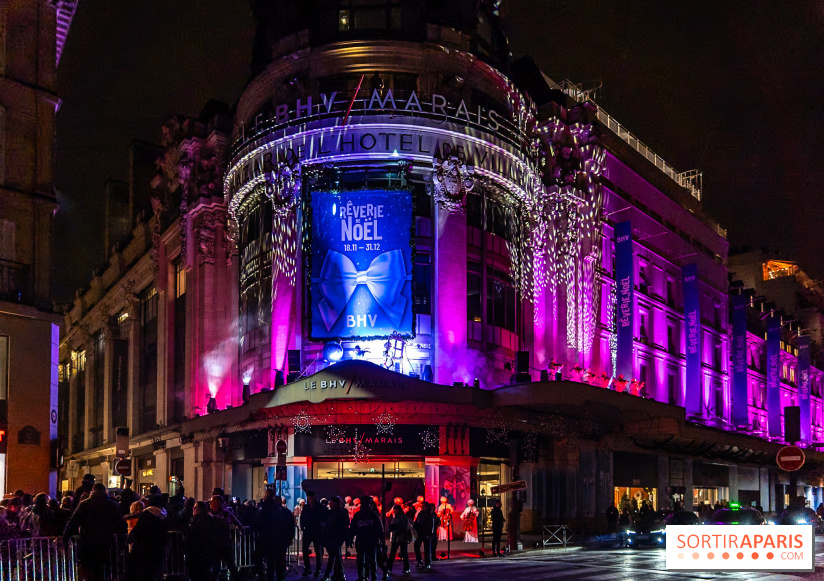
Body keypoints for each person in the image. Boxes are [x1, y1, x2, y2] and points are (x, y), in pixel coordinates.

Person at [64, 483, 127, 581]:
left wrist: (66, 537)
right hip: (107, 542)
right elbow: (121, 525)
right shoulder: (113, 505)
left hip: (87, 542)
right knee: (105, 570)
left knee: (89, 570)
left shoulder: (85, 504)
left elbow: (73, 522)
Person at [255, 490, 296, 581]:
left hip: (273, 540)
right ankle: (279, 577)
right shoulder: (283, 512)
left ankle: (273, 577)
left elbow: (261, 523)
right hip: (278, 540)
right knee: (278, 561)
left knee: (272, 562)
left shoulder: (269, 510)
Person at [127, 494, 169, 581]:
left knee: (145, 572)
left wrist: (130, 538)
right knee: (156, 570)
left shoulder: (147, 514)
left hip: (145, 547)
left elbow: (138, 529)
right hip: (159, 547)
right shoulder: (164, 514)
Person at [348, 495, 383, 581]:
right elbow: (380, 528)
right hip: (372, 540)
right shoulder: (373, 515)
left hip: (361, 540)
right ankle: (373, 577)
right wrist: (381, 540)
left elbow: (353, 528)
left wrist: (350, 539)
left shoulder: (358, 515)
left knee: (360, 560)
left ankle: (361, 577)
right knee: (372, 560)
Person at [185, 501, 220, 581]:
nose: (193, 510)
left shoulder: (199, 521)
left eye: (195, 508)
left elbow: (194, 536)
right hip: (206, 553)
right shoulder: (209, 520)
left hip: (198, 553)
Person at [209, 495, 240, 579]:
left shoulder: (224, 514)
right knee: (218, 566)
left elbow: (237, 523)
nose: (210, 504)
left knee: (227, 565)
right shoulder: (213, 514)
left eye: (212, 502)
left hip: (221, 543)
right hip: (219, 543)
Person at [321, 496, 348, 581]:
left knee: (333, 556)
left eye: (331, 503)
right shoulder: (331, 512)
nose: (330, 505)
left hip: (337, 537)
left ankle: (327, 575)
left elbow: (344, 525)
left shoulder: (341, 513)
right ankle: (339, 574)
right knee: (337, 556)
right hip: (331, 536)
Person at [301, 490, 327, 577]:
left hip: (316, 531)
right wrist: (303, 527)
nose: (310, 500)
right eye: (309, 498)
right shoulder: (307, 507)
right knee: (306, 550)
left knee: (318, 550)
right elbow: (302, 517)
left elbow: (324, 518)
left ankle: (317, 569)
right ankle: (308, 568)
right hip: (309, 530)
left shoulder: (319, 507)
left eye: (311, 498)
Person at [387, 504, 412, 576]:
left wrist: (395, 528)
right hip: (399, 537)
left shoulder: (400, 517)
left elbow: (403, 526)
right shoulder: (399, 517)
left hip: (400, 537)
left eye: (395, 509)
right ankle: (405, 568)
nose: (394, 511)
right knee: (401, 553)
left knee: (397, 553)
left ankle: (390, 568)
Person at [413, 502, 436, 570]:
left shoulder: (430, 515)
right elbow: (417, 522)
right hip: (420, 533)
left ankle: (427, 563)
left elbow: (431, 525)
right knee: (416, 546)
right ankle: (419, 560)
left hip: (426, 534)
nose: (422, 508)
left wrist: (429, 534)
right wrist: (415, 529)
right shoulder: (420, 513)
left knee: (427, 549)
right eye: (422, 506)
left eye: (423, 506)